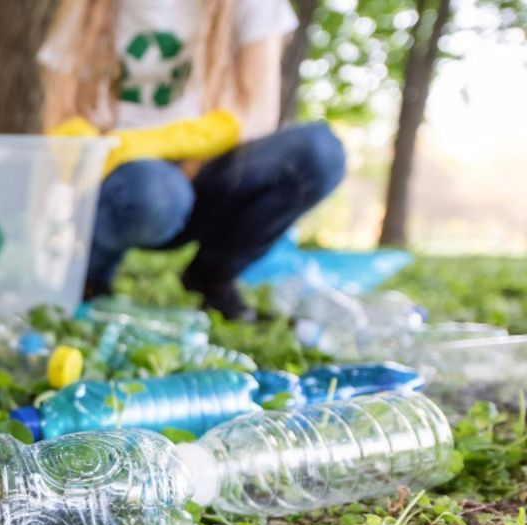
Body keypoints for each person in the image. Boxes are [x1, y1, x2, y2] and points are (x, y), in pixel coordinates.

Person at [40, 0, 347, 320]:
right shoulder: (89, 7)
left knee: (318, 152)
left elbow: (257, 113)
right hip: (128, 184)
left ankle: (212, 275)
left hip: (212, 173)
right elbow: (61, 111)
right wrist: (89, 148)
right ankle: (91, 276)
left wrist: (146, 143)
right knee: (153, 191)